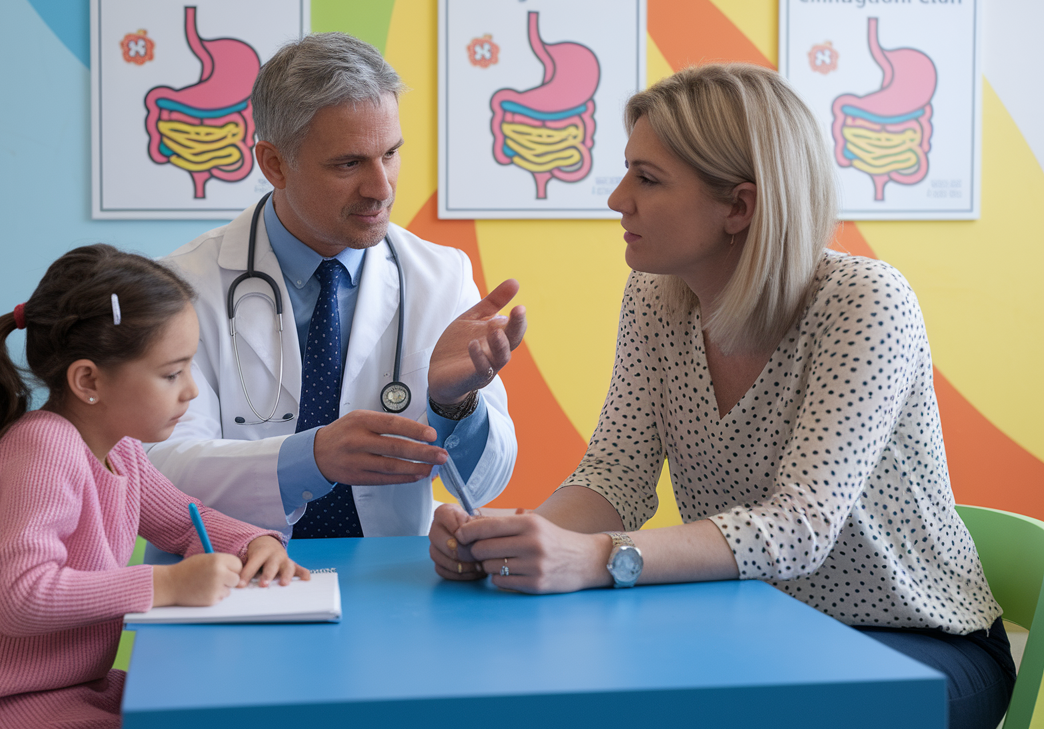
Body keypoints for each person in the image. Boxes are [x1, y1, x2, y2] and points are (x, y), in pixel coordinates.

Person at [428, 64, 1014, 729]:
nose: (617, 198)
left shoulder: (866, 301)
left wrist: (595, 558)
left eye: (647, 179)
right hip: (761, 626)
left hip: (916, 644)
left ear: (739, 206)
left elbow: (801, 528)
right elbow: (615, 476)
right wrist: (511, 538)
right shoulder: (656, 295)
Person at [0, 245, 306, 729]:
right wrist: (167, 583)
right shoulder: (44, 449)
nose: (192, 391)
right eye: (171, 373)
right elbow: (23, 598)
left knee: (213, 699)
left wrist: (253, 540)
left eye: (190, 368)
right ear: (88, 381)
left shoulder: (118, 449)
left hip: (67, 689)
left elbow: (184, 520)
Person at [149, 33, 525, 539]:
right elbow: (155, 470)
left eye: (390, 154)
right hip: (231, 577)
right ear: (274, 164)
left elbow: (486, 483)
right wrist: (312, 459)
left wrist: (454, 405)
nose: (382, 187)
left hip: (387, 581)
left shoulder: (441, 277)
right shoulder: (182, 287)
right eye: (349, 164)